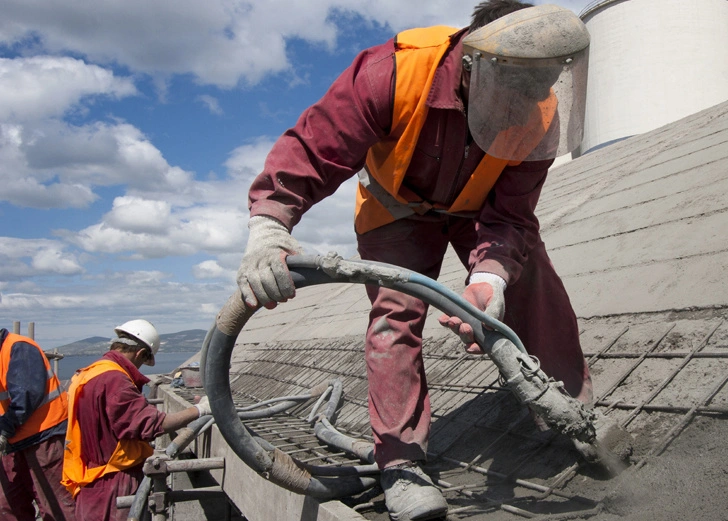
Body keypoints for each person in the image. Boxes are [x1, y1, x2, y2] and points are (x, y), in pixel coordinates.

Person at [236, 2, 593, 520]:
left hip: (476, 205)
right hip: (395, 209)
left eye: (544, 84)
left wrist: (490, 279)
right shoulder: (395, 72)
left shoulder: (539, 108)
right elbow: (315, 148)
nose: (532, 101)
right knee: (395, 314)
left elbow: (512, 217)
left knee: (534, 276)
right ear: (475, 63)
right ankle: (401, 463)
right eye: (520, 86)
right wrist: (270, 227)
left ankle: (570, 413)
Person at [60, 319, 211, 521]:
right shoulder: (115, 380)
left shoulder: (89, 373)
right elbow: (153, 424)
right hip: (113, 483)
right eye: (142, 361)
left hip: (89, 481)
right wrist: (199, 410)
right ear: (139, 353)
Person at [0, 328, 76, 521]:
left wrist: (4, 429)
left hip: (43, 437)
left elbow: (26, 394)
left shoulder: (18, 348)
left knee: (54, 504)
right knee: (8, 507)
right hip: (12, 443)